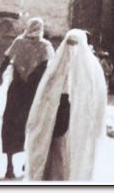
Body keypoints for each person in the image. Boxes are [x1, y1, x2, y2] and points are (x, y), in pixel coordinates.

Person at [25, 29, 107, 181]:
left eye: (75, 44)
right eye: (69, 44)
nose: (71, 49)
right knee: (56, 154)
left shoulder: (92, 68)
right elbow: (44, 93)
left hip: (80, 119)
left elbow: (98, 97)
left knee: (75, 156)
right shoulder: (56, 66)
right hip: (57, 117)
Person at [0, 17, 55, 179]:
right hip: (33, 92)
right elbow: (48, 68)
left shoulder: (18, 42)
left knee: (11, 124)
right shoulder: (45, 46)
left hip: (16, 90)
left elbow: (6, 60)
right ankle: (28, 161)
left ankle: (9, 165)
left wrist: (0, 75)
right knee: (33, 125)